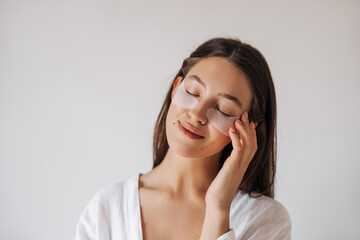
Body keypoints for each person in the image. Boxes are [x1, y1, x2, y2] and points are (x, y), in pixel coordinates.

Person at [74, 37, 292, 240]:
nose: (197, 114)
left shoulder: (264, 221)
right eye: (193, 92)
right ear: (176, 88)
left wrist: (218, 208)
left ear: (249, 128)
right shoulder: (107, 209)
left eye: (223, 109)